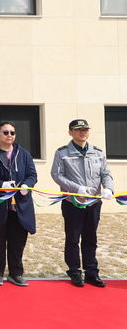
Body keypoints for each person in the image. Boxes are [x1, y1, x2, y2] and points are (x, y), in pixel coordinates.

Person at [51, 118, 114, 287]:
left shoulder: (98, 152)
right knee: (73, 238)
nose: (82, 132)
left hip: (93, 202)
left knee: (91, 238)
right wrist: (77, 188)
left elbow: (106, 174)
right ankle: (75, 272)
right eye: (78, 129)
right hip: (73, 202)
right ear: (70, 132)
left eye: (85, 129)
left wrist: (108, 188)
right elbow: (57, 175)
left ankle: (92, 272)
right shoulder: (62, 153)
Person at [0, 121, 37, 287]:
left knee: (17, 242)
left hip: (19, 207)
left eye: (12, 132)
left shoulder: (24, 154)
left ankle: (16, 273)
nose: (9, 135)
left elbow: (32, 174)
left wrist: (27, 185)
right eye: (5, 132)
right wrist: (0, 184)